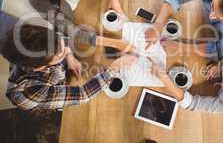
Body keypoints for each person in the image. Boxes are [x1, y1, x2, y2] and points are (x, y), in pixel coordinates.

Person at [2, 24, 137, 110]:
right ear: (39, 67)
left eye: (60, 44)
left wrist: (69, 55)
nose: (64, 49)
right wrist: (113, 69)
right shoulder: (29, 94)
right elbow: (83, 95)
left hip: (61, 73)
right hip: (54, 95)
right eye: (60, 53)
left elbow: (63, 43)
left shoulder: (42, 41)